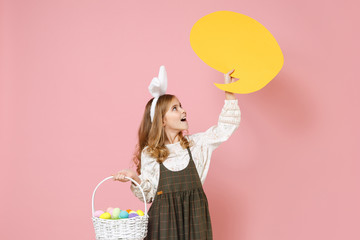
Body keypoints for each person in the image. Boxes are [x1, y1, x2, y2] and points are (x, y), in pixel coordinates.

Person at [112, 66, 241, 239]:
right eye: (175, 108)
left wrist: (229, 92)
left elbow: (225, 128)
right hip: (163, 227)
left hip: (195, 224)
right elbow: (149, 195)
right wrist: (134, 178)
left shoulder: (196, 145)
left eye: (181, 106)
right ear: (162, 121)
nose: (183, 110)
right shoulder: (150, 153)